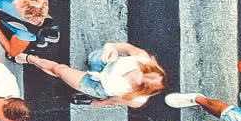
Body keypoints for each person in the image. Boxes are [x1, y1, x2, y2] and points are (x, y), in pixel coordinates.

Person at [20, 43, 164, 108]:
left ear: (138, 88)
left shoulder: (137, 100)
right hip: (105, 62)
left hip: (97, 84)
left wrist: (99, 103)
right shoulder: (141, 58)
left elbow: (115, 100)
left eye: (133, 79)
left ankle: (31, 59)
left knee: (60, 70)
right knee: (91, 58)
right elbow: (126, 47)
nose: (131, 73)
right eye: (138, 69)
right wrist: (111, 48)